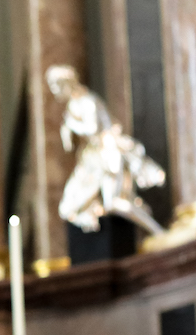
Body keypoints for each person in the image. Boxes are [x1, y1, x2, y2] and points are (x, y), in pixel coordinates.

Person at [45, 64, 166, 235]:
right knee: (68, 207)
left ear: (67, 83)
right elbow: (70, 146)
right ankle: (92, 218)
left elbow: (93, 129)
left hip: (107, 155)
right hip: (91, 159)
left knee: (115, 202)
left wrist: (71, 124)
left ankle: (157, 231)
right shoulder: (72, 106)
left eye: (56, 87)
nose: (55, 92)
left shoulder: (87, 101)